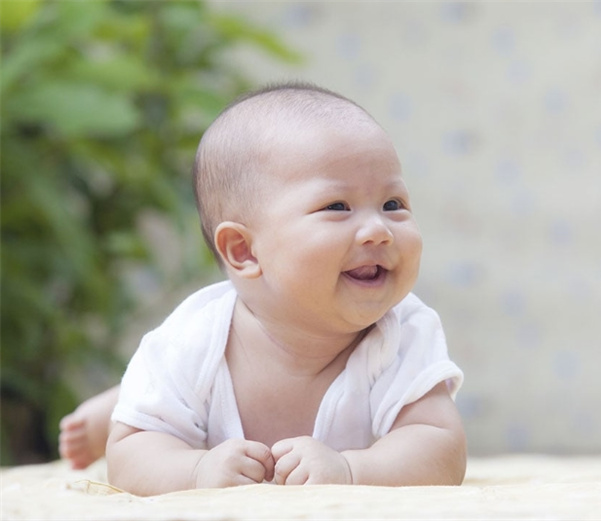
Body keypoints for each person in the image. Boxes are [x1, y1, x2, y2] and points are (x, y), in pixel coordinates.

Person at [60, 82, 466, 495]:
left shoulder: (404, 332)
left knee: (171, 395)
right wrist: (196, 470)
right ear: (244, 250)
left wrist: (351, 469)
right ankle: (122, 403)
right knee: (151, 409)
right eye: (337, 207)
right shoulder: (191, 340)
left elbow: (439, 446)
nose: (378, 230)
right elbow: (131, 455)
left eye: (393, 204)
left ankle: (127, 399)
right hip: (186, 385)